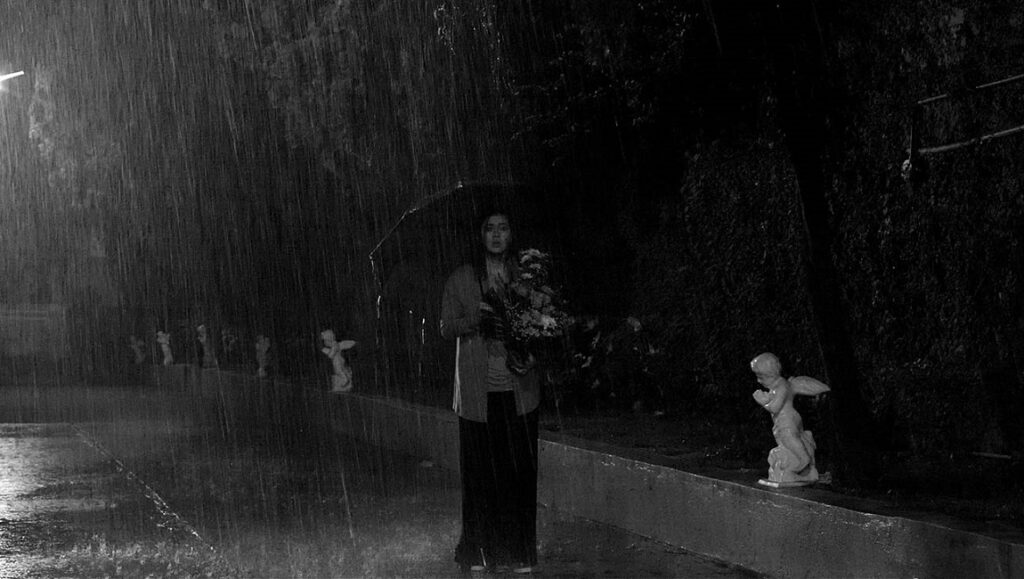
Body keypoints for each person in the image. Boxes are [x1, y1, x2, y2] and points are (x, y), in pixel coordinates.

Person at [440, 211, 540, 574]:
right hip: (477, 396)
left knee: (519, 474)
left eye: (503, 228)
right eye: (489, 229)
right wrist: (475, 320)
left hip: (519, 392)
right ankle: (478, 549)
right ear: (480, 235)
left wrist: (531, 354)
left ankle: (519, 550)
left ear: (512, 234)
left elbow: (542, 327)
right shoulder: (462, 278)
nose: (496, 235)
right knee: (480, 476)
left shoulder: (527, 277)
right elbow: (446, 327)